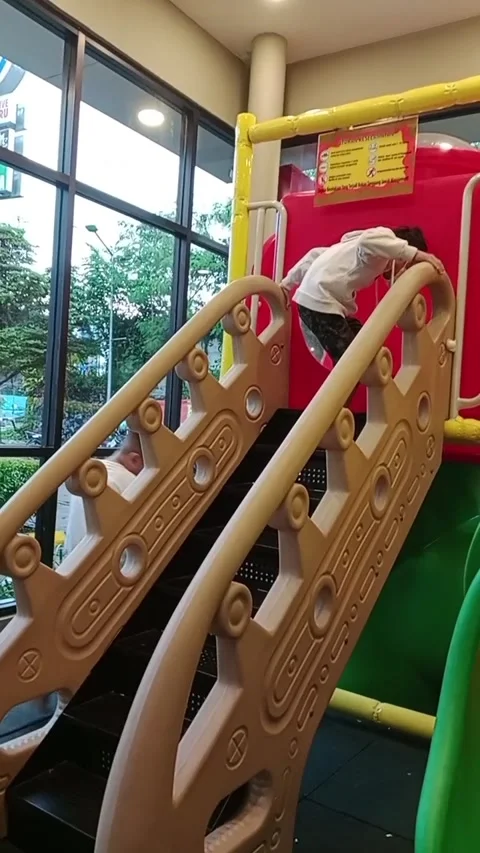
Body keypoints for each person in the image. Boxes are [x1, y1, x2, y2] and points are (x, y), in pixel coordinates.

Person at [280, 226, 445, 364]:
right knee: (351, 364)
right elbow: (368, 240)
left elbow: (315, 256)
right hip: (320, 303)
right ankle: (338, 402)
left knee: (366, 348)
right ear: (398, 253)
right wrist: (419, 255)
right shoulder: (377, 245)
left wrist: (288, 283)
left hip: (330, 307)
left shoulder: (351, 248)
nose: (404, 273)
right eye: (408, 266)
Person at [64, 429, 144, 556]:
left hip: (72, 565)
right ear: (134, 460)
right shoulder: (131, 482)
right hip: (111, 570)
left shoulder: (92, 475)